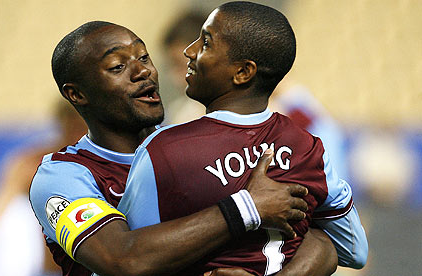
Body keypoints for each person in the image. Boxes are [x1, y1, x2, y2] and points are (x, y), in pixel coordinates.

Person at [29, 20, 338, 276]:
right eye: (118, 66)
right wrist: (245, 208)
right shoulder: (63, 177)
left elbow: (322, 243)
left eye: (144, 58)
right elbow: (122, 260)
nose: (142, 72)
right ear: (77, 94)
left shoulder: (195, 148)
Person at [118, 1, 368, 275]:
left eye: (205, 44)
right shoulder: (307, 147)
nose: (190, 53)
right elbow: (354, 250)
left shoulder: (163, 149)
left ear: (243, 72)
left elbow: (130, 258)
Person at [0, 100, 86, 276]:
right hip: (53, 270)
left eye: (81, 125)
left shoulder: (113, 161)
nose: (76, 133)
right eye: (71, 124)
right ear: (61, 123)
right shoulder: (34, 164)